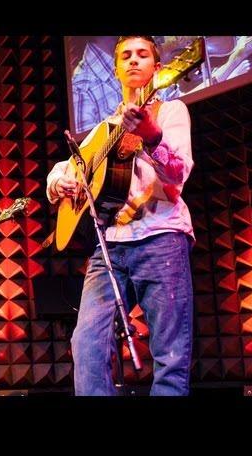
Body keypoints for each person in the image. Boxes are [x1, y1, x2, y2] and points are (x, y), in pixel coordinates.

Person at [47, 36, 195, 396]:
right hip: (109, 245)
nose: (133, 61)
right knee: (87, 344)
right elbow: (63, 169)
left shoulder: (171, 111)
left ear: (157, 68)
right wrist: (60, 183)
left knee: (170, 351)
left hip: (161, 236)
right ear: (115, 69)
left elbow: (178, 173)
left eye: (142, 55)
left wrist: (151, 136)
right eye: (125, 56)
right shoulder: (103, 130)